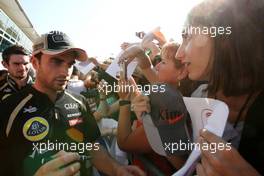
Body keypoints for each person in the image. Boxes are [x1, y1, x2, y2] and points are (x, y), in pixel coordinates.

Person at [0, 31, 145, 176]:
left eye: (70, 64)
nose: (65, 71)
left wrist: (117, 169)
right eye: (56, 61)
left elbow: (90, 146)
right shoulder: (9, 108)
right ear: (35, 63)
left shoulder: (79, 102)